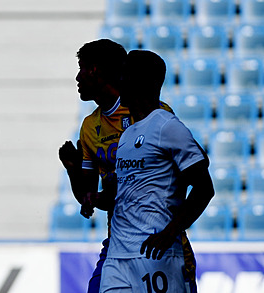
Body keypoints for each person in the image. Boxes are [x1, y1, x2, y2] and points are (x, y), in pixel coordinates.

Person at [58, 39, 198, 293]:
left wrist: (170, 231)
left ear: (96, 70)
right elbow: (89, 199)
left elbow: (190, 180)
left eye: (82, 68)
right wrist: (72, 170)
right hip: (118, 245)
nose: (77, 77)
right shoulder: (90, 127)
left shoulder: (154, 114)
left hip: (159, 243)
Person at [95, 50, 214, 293]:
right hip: (117, 257)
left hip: (155, 254)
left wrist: (170, 233)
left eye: (124, 75)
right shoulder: (127, 135)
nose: (118, 81)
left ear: (139, 81)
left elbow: (204, 188)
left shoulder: (167, 126)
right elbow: (127, 190)